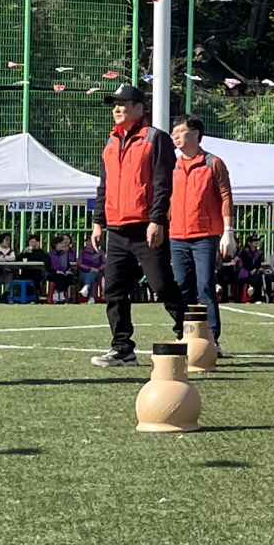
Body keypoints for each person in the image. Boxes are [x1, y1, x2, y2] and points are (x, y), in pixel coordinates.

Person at [89, 86, 185, 368]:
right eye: (114, 105)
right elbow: (103, 187)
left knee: (162, 285)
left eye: (122, 104)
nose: (116, 109)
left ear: (139, 108)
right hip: (117, 231)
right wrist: (98, 222)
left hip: (146, 228)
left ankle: (189, 332)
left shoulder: (156, 139)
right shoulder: (110, 143)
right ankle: (122, 348)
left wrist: (157, 219)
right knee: (114, 291)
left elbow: (163, 184)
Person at [169, 117, 235, 350]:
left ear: (196, 134)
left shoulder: (212, 163)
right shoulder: (172, 165)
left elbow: (226, 196)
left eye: (180, 131)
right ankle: (186, 332)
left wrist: (228, 231)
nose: (175, 136)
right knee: (181, 285)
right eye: (173, 132)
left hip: (205, 234)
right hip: (176, 235)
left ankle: (211, 337)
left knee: (206, 284)